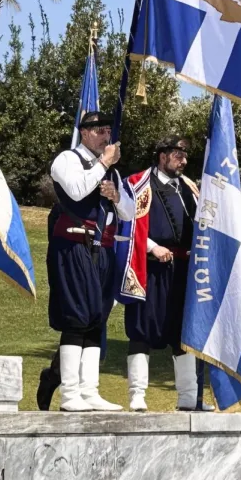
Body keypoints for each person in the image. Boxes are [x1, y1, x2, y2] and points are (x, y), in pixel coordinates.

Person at [45, 111, 132, 412]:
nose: (105, 136)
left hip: (103, 251)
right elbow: (77, 189)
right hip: (73, 246)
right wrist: (104, 163)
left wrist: (117, 196)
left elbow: (129, 214)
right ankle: (69, 395)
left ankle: (89, 391)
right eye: (98, 131)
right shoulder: (67, 160)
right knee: (77, 317)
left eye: (108, 131)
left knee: (97, 319)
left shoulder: (112, 173)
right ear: (84, 132)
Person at [121, 135, 198, 411]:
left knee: (184, 334)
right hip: (150, 269)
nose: (184, 161)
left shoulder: (190, 188)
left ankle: (189, 398)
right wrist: (153, 248)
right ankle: (137, 395)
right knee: (142, 330)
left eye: (185, 155)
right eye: (179, 155)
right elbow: (127, 226)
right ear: (163, 155)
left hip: (184, 272)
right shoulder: (138, 184)